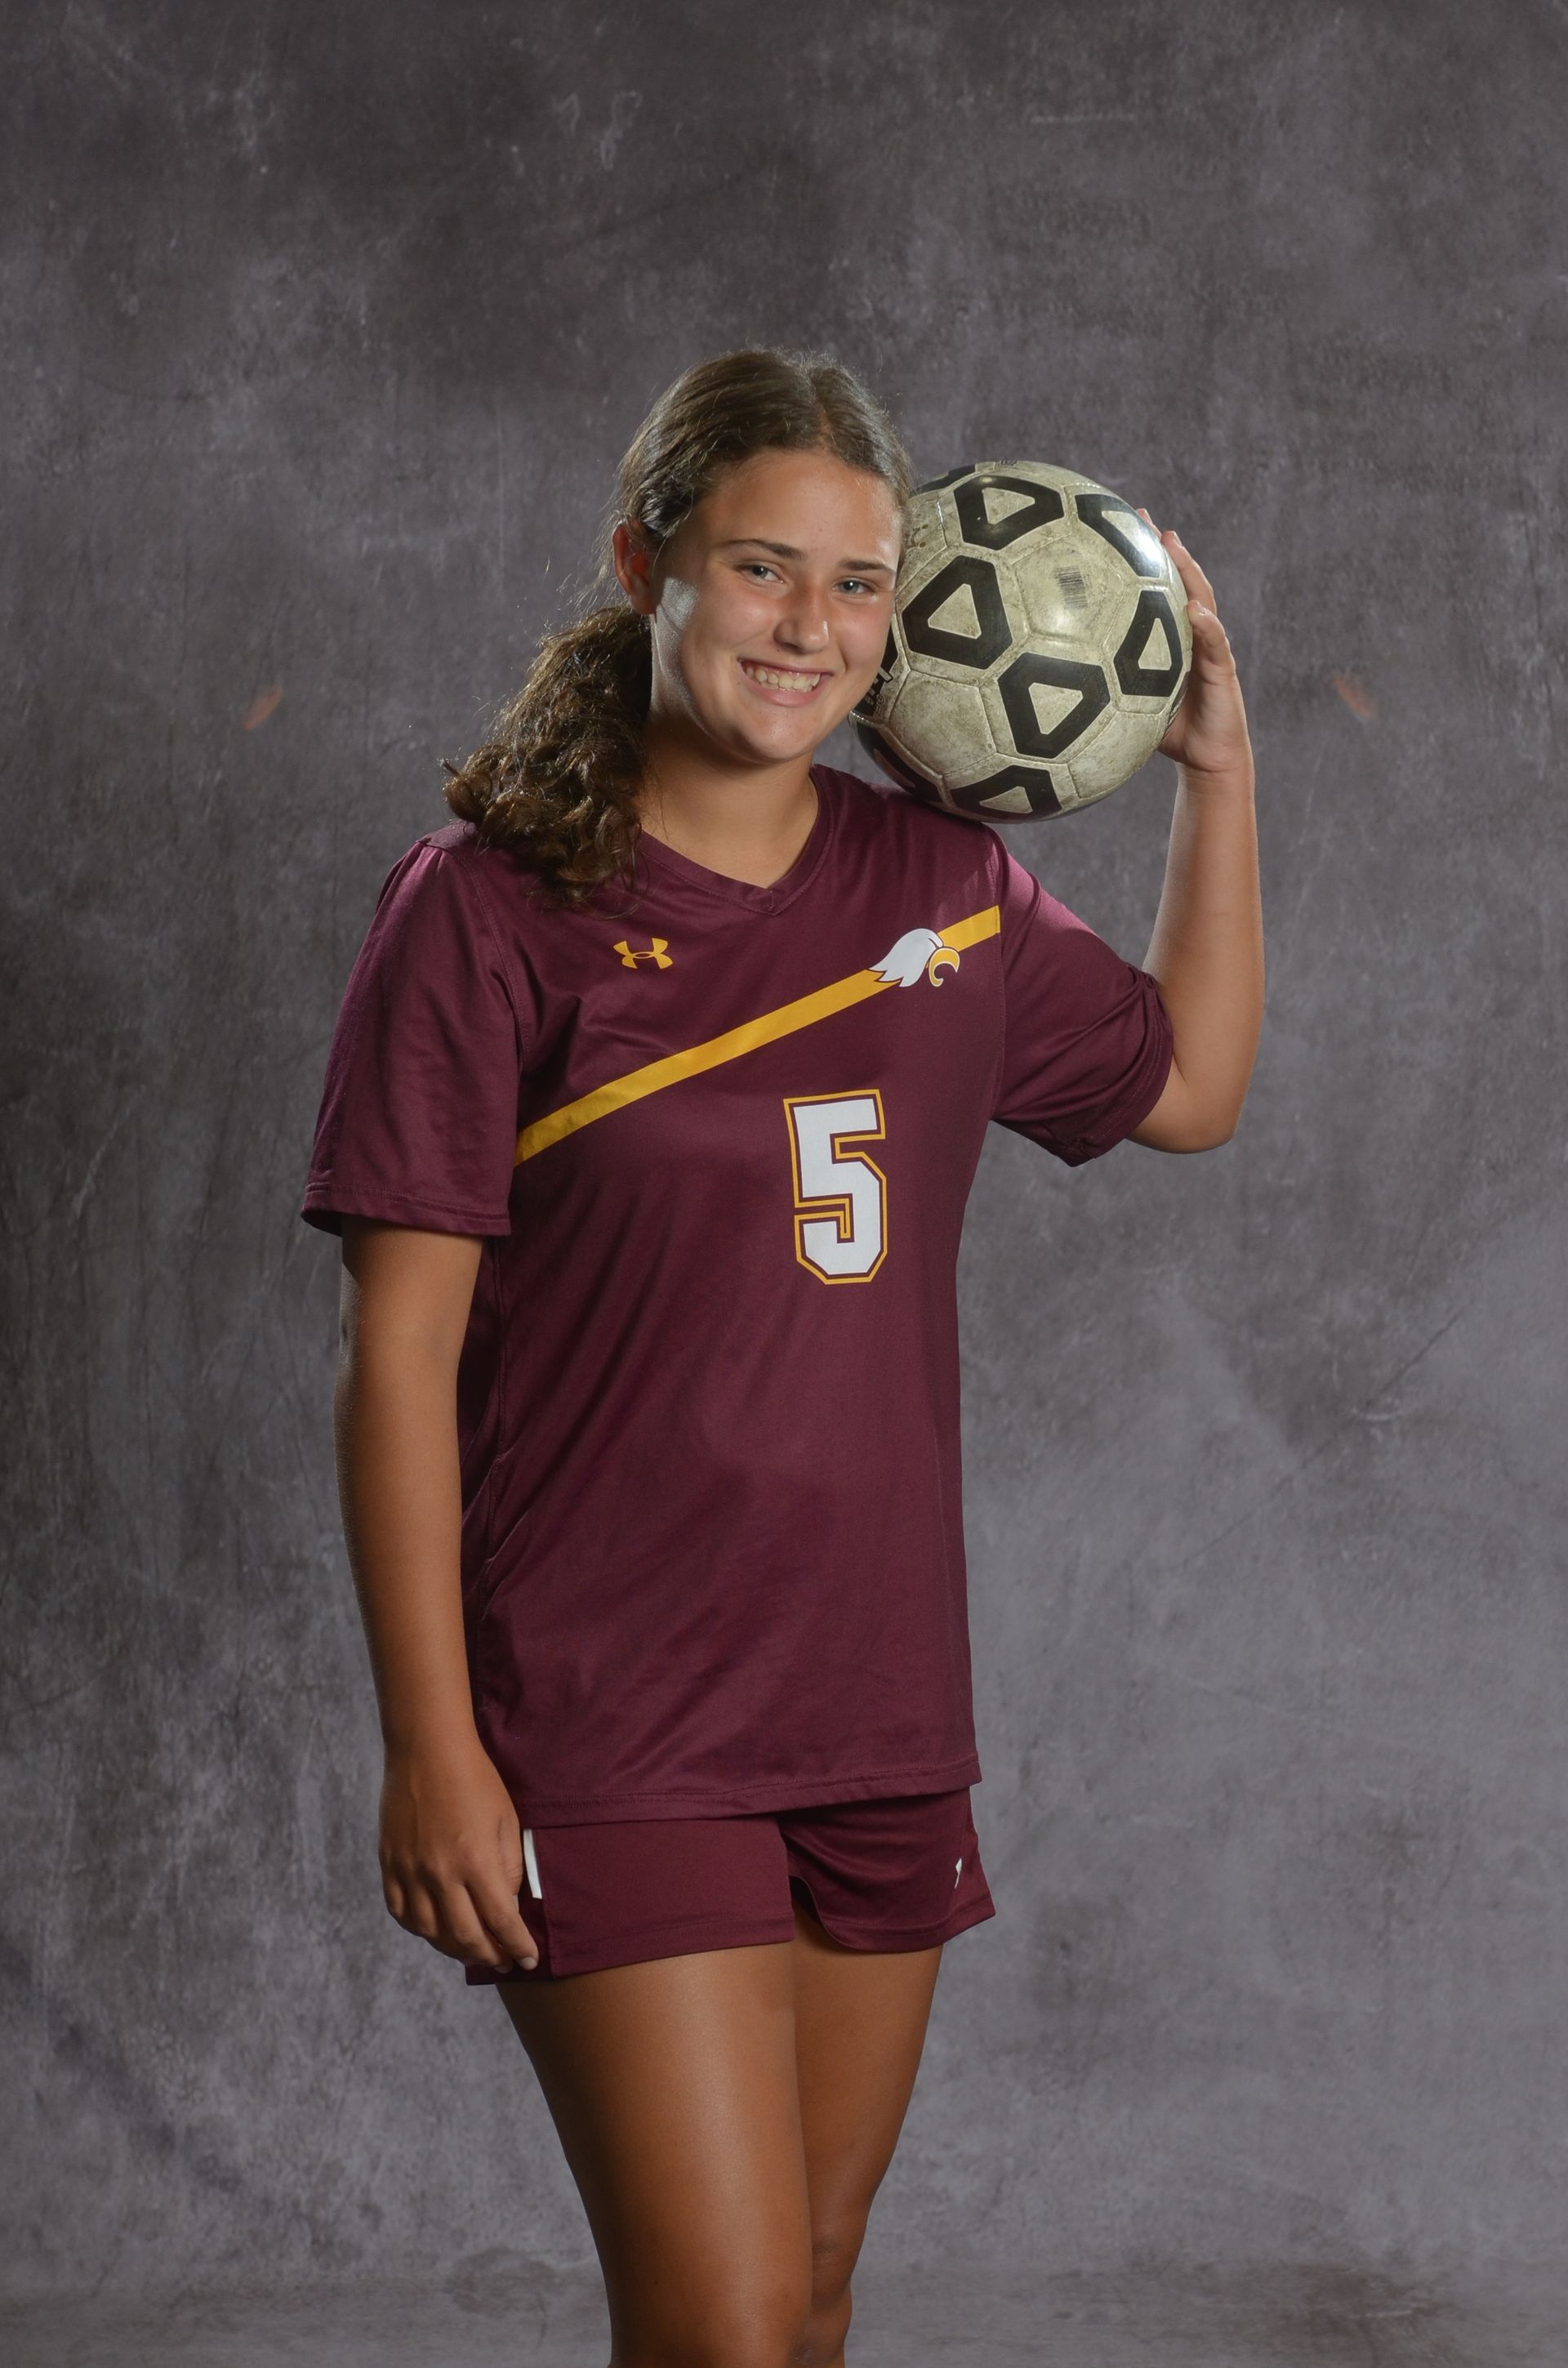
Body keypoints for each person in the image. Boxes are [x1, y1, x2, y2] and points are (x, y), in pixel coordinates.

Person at [300, 346, 1262, 2368]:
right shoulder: (487, 914)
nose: (811, 629)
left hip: (878, 1700)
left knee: (810, 2309)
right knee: (723, 2325)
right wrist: (432, 1742)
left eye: (854, 586)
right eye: (761, 569)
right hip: (610, 1705)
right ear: (646, 559)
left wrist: (1220, 776)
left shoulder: (942, 894)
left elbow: (1186, 1090)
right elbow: (398, 1369)